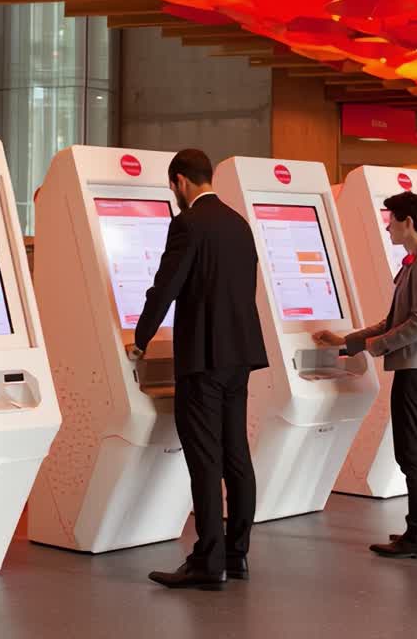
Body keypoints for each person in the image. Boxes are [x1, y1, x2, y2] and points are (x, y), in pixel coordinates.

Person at [129, 148, 267, 590]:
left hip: (204, 357)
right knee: (236, 455)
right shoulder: (239, 224)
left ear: (180, 182)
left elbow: (166, 285)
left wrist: (141, 337)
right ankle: (236, 554)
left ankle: (208, 562)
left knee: (206, 459)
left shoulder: (187, 223)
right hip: (240, 355)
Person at [314, 192, 417, 556]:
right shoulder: (414, 263)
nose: (386, 225)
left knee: (412, 451)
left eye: (391, 219)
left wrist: (374, 347)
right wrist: (349, 341)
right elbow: (393, 321)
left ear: (407, 222)